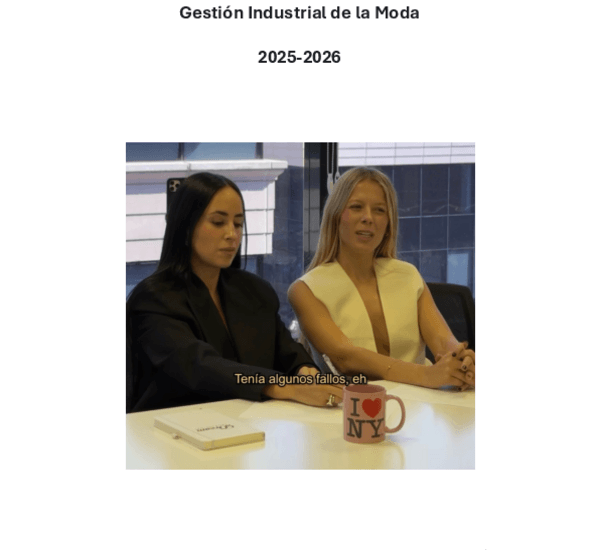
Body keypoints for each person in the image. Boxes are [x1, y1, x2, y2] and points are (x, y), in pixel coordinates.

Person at [127, 172, 344, 412]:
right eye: (218, 222)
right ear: (185, 226)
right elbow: (199, 366)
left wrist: (306, 371)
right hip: (172, 428)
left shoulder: (255, 290)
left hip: (251, 424)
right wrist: (286, 387)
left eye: (238, 224)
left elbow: (288, 350)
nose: (232, 234)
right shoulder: (153, 298)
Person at [288, 168, 475, 391]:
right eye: (356, 207)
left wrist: (461, 361)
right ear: (335, 216)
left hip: (420, 404)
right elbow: (345, 358)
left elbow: (444, 343)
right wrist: (427, 374)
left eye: (379, 210)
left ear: (388, 224)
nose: (368, 218)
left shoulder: (408, 276)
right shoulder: (305, 289)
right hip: (350, 405)